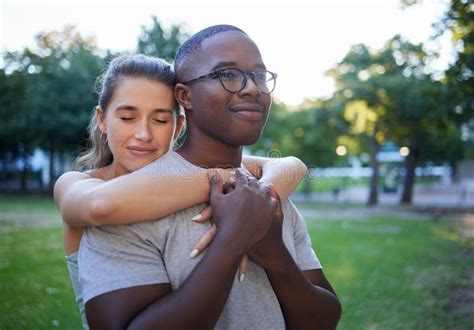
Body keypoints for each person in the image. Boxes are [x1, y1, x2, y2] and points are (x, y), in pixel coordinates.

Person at [80, 25, 342, 329]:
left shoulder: (268, 193)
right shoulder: (129, 202)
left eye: (259, 75)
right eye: (227, 74)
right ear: (185, 96)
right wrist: (233, 240)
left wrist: (275, 254)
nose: (253, 88)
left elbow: (325, 319)